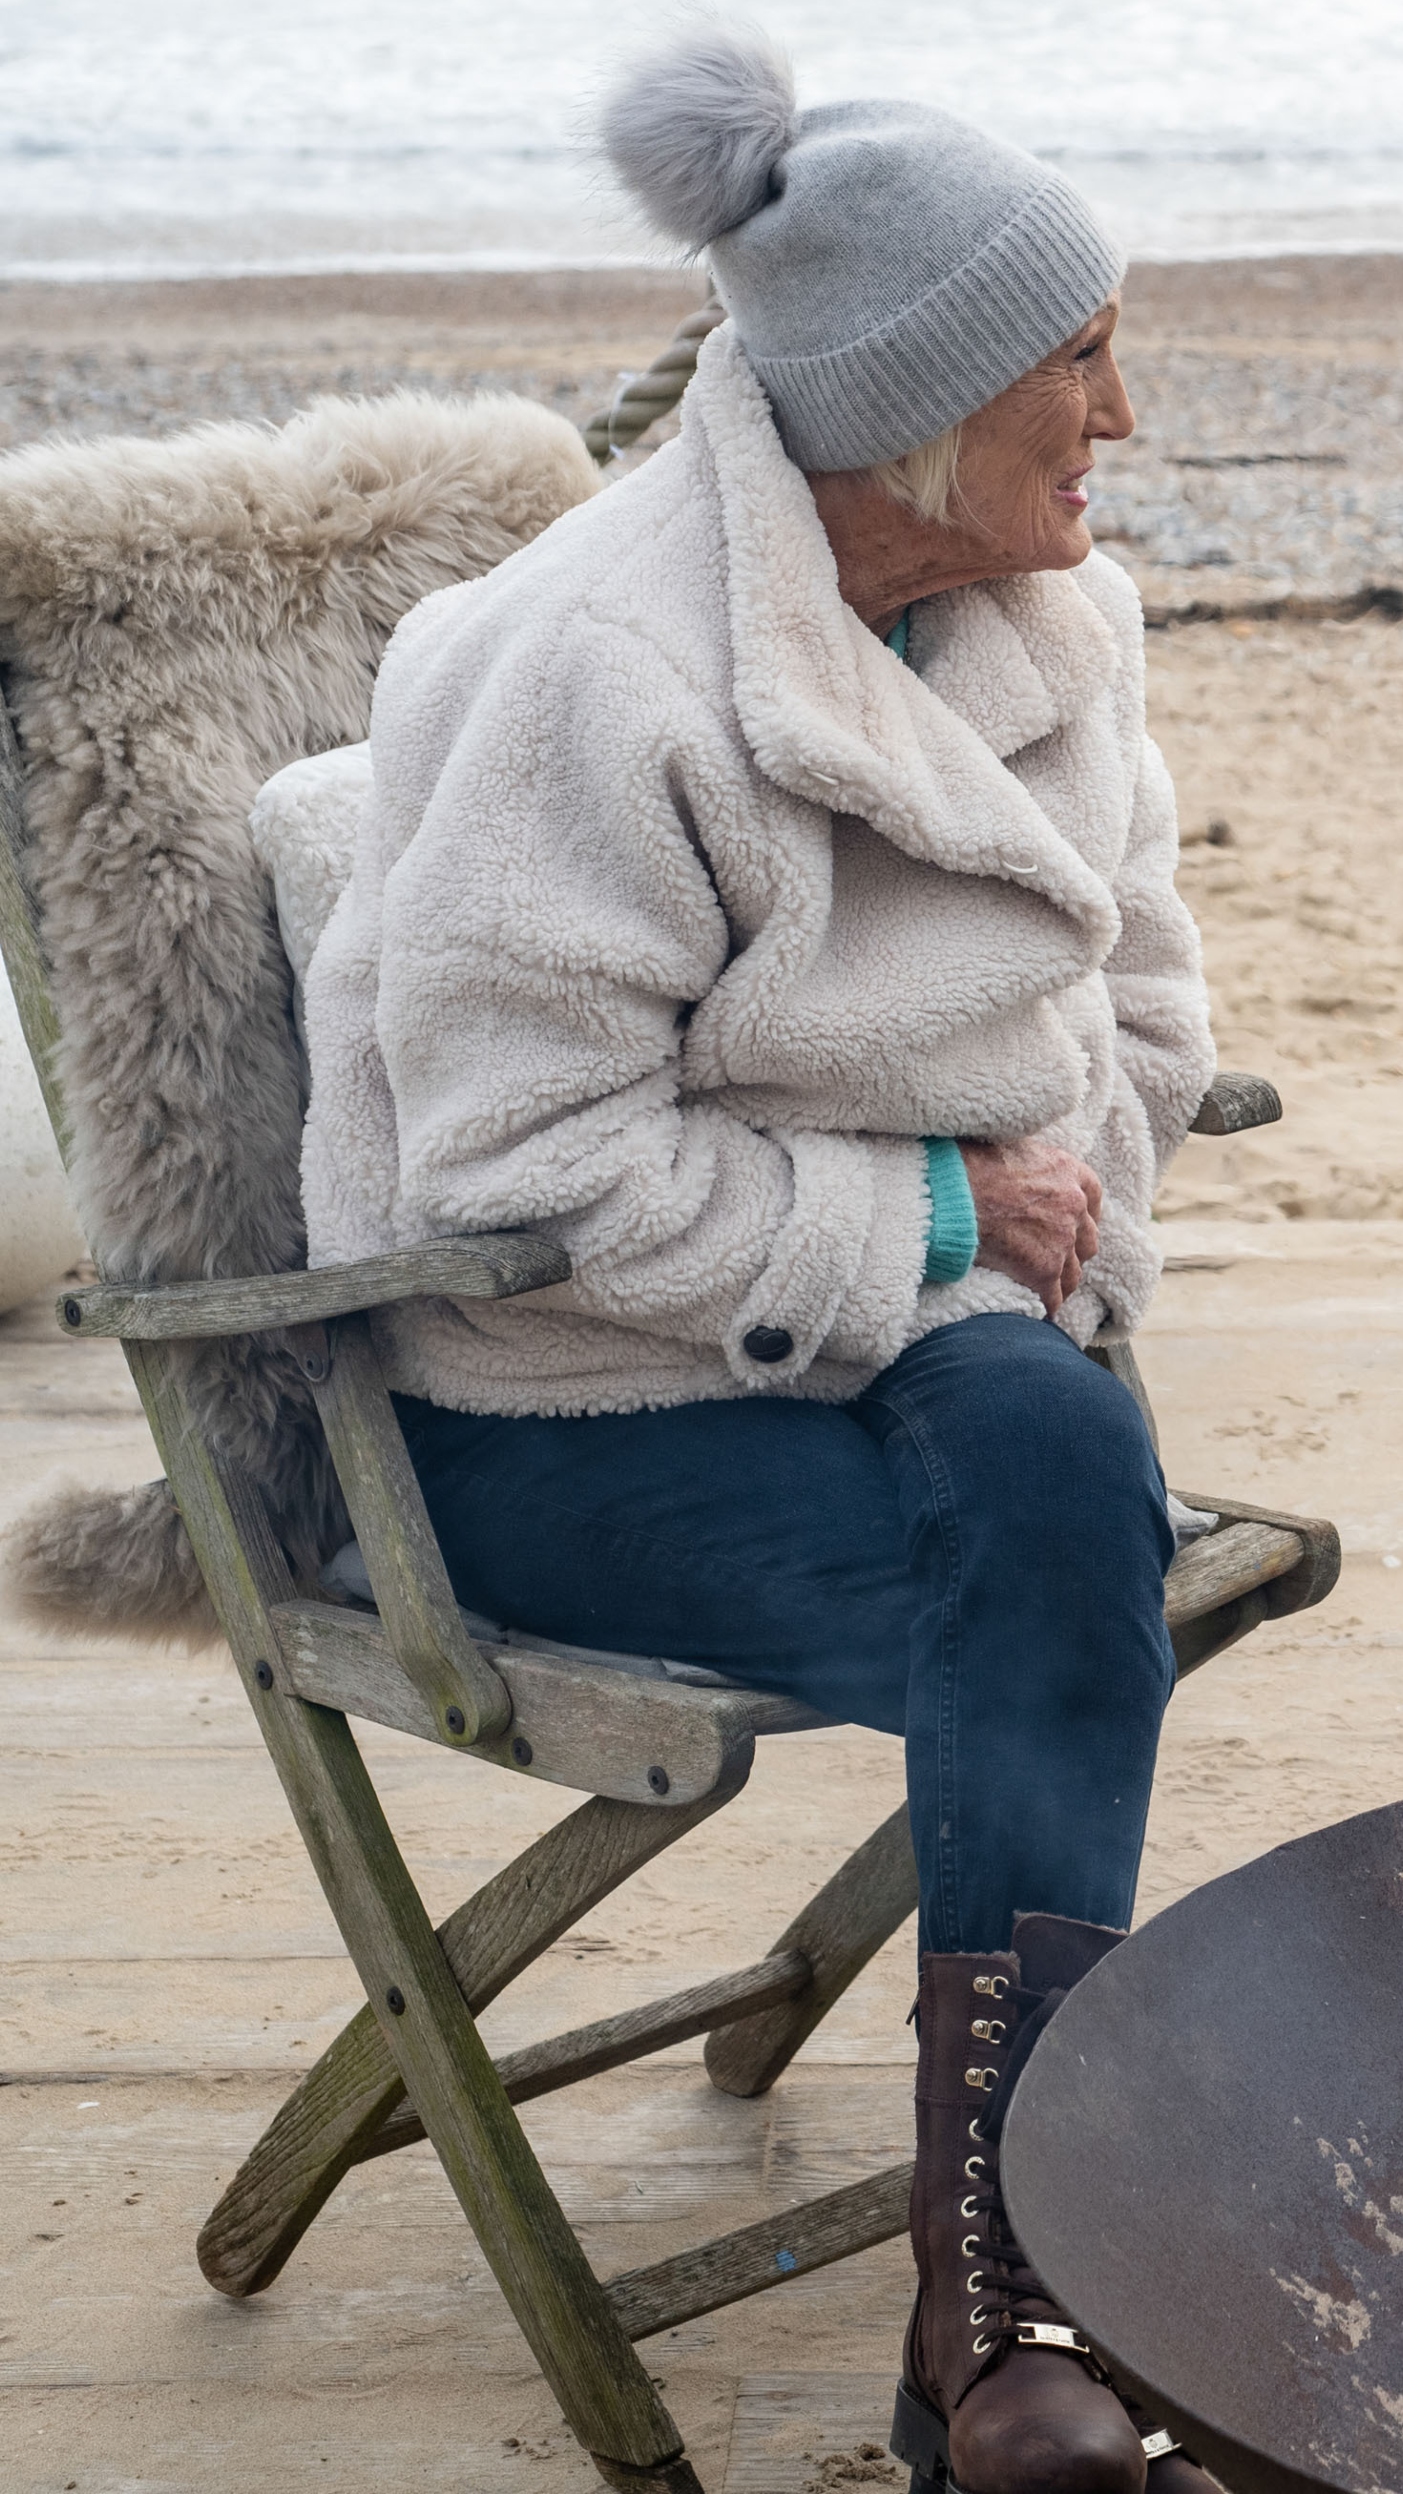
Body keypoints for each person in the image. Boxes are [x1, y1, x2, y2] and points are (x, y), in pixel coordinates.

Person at [289, 30, 1216, 2494]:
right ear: (911, 405)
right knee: (1060, 1573)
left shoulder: (1059, 623)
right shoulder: (592, 670)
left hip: (903, 1361)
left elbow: (1140, 1006)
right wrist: (944, 1210)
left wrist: (1046, 1228)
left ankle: (991, 2311)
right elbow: (504, 1165)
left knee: (1053, 1487)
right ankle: (1029, 2315)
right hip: (543, 1405)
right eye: (1079, 356)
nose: (1123, 413)